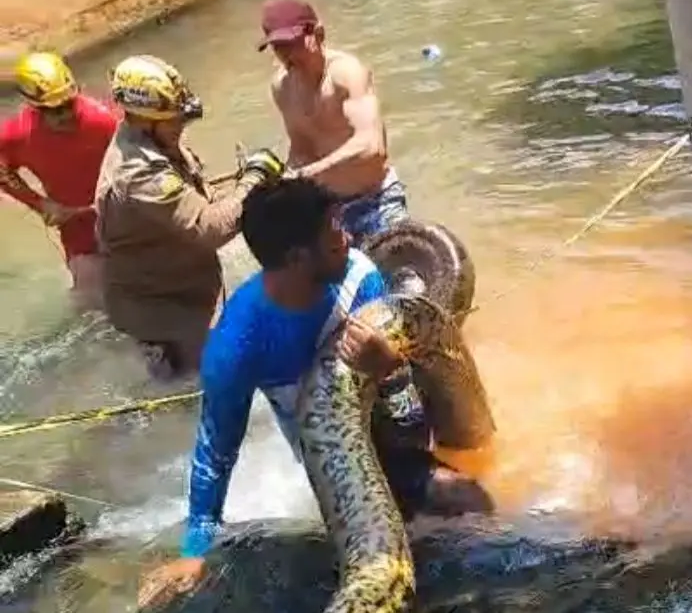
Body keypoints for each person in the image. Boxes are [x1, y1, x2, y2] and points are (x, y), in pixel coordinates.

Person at [136, 178, 493, 611]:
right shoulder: (236, 345)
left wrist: (391, 369)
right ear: (297, 257)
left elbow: (412, 428)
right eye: (334, 235)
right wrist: (194, 553)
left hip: (393, 431)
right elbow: (215, 453)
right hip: (332, 458)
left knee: (470, 501)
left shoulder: (361, 277)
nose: (348, 239)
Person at [95, 54, 285, 380]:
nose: (181, 126)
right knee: (214, 383)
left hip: (189, 288)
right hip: (163, 309)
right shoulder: (137, 171)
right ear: (144, 120)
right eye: (173, 120)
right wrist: (252, 181)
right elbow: (208, 229)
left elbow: (200, 200)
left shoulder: (157, 142)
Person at [260, 0, 408, 248]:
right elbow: (301, 150)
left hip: (378, 199)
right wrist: (284, 180)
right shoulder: (282, 87)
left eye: (292, 44)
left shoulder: (346, 73)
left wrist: (313, 171)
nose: (287, 55)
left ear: (318, 34)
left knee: (408, 277)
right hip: (330, 209)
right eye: (278, 47)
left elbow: (371, 147)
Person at [0, 52, 119, 311]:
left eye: (69, 104)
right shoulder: (18, 135)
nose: (66, 115)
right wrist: (41, 204)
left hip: (123, 217)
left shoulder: (104, 120)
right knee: (92, 306)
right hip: (78, 230)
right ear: (32, 106)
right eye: (54, 110)